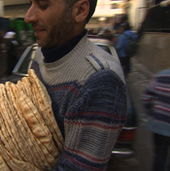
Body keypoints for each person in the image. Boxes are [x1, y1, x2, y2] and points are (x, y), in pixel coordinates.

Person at [24, 0, 127, 170]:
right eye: (31, 3)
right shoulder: (40, 54)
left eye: (42, 5)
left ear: (80, 10)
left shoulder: (100, 80)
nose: (28, 17)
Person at [142, 69, 170, 171]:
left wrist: (150, 111)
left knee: (159, 157)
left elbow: (146, 96)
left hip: (160, 124)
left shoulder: (161, 76)